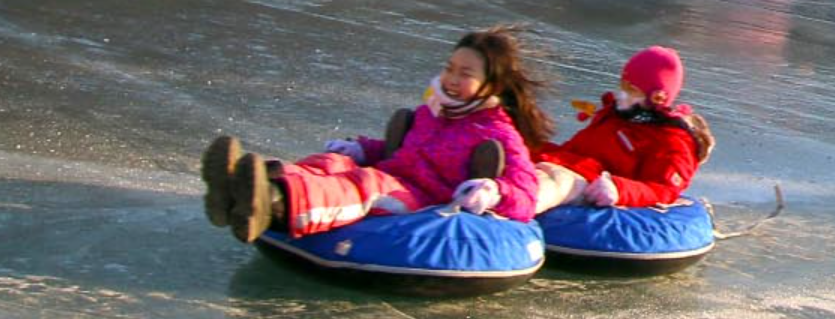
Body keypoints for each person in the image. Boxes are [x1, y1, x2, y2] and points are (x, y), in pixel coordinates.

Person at [202, 27, 550, 242]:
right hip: (394, 174)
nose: (452, 80)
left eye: (466, 73)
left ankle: (275, 202)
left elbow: (526, 194)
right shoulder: (433, 111)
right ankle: (246, 185)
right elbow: (404, 150)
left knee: (365, 188)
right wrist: (361, 151)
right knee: (333, 163)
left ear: (494, 84)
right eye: (449, 68)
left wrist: (493, 190)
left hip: (424, 200)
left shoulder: (498, 131)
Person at [531, 46, 713, 212]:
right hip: (572, 167)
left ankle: (517, 207)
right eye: (623, 86)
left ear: (657, 97)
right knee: (519, 153)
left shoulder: (671, 140)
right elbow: (575, 151)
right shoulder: (614, 116)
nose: (621, 94)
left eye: (631, 89)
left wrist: (618, 189)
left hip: (590, 184)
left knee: (557, 182)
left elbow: (663, 189)